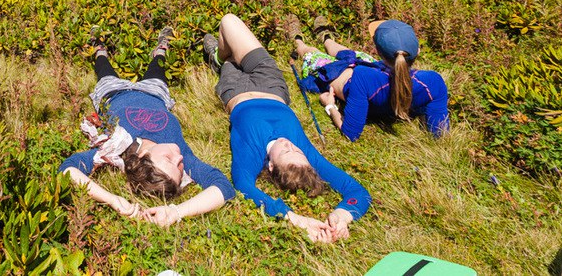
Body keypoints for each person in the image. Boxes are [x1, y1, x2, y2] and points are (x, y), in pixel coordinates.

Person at [203, 13, 370, 243]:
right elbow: (358, 192)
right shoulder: (307, 157)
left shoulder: (252, 156)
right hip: (271, 84)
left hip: (235, 90)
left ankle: (219, 59)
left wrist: (293, 218)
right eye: (297, 150)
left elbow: (244, 187)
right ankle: (219, 55)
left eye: (286, 151)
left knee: (230, 55)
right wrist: (342, 215)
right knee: (229, 21)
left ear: (270, 165)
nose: (290, 144)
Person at [60, 27, 235, 227]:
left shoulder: (117, 148)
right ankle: (161, 48)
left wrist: (111, 199)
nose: (179, 157)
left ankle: (99, 47)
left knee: (104, 68)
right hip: (155, 93)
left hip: (113, 93)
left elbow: (67, 170)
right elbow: (224, 188)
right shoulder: (183, 155)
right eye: (179, 166)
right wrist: (176, 212)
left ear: (143, 157)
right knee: (157, 67)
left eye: (170, 160)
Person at [286, 14, 449, 142]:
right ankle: (327, 38)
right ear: (417, 51)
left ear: (378, 53)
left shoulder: (364, 76)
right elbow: (439, 132)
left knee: (313, 55)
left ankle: (299, 41)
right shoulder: (433, 82)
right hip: (369, 73)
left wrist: (330, 106)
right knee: (347, 53)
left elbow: (350, 133)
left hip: (347, 77)